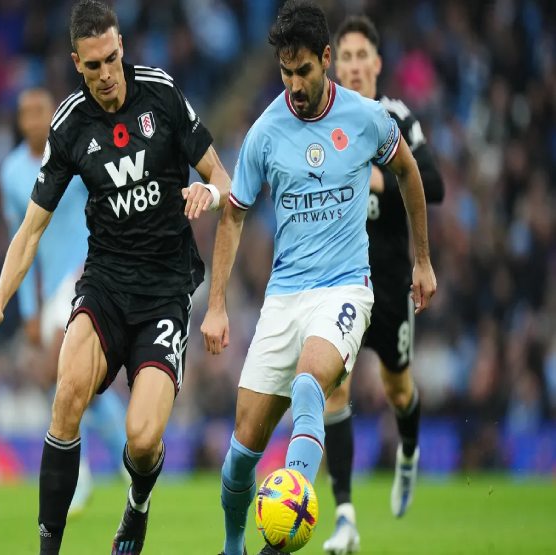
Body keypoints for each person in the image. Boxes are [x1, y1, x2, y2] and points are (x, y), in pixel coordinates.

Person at [0, 2, 231, 554]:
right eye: (93, 66)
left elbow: (223, 180)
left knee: (142, 440)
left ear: (122, 49)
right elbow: (29, 230)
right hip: (105, 286)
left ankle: (137, 506)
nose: (107, 73)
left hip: (165, 294)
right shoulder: (70, 125)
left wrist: (204, 193)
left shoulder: (160, 94)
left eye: (113, 59)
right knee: (66, 395)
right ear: (77, 64)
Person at [199, 2, 437, 554]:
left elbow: (408, 171)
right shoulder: (264, 131)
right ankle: (234, 549)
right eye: (285, 72)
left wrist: (422, 260)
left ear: (326, 59)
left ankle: (283, 538)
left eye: (303, 69)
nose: (294, 83)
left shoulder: (365, 118)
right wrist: (215, 305)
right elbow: (233, 213)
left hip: (346, 290)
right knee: (240, 456)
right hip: (283, 298)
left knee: (311, 386)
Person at [321, 16, 446, 554]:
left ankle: (409, 451)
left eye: (359, 55)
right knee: (335, 389)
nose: (351, 64)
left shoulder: (396, 117)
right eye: (343, 54)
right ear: (335, 62)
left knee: (398, 389)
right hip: (341, 280)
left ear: (375, 64)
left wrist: (379, 176)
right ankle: (345, 515)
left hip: (392, 285)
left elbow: (434, 185)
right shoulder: (321, 121)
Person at [0, 87, 128, 514]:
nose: (33, 119)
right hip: (51, 282)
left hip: (87, 268)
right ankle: (127, 459)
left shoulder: (74, 146)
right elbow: (24, 241)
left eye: (40, 110)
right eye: (25, 112)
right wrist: (28, 310)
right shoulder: (11, 173)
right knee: (80, 383)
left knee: (63, 368)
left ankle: (80, 476)